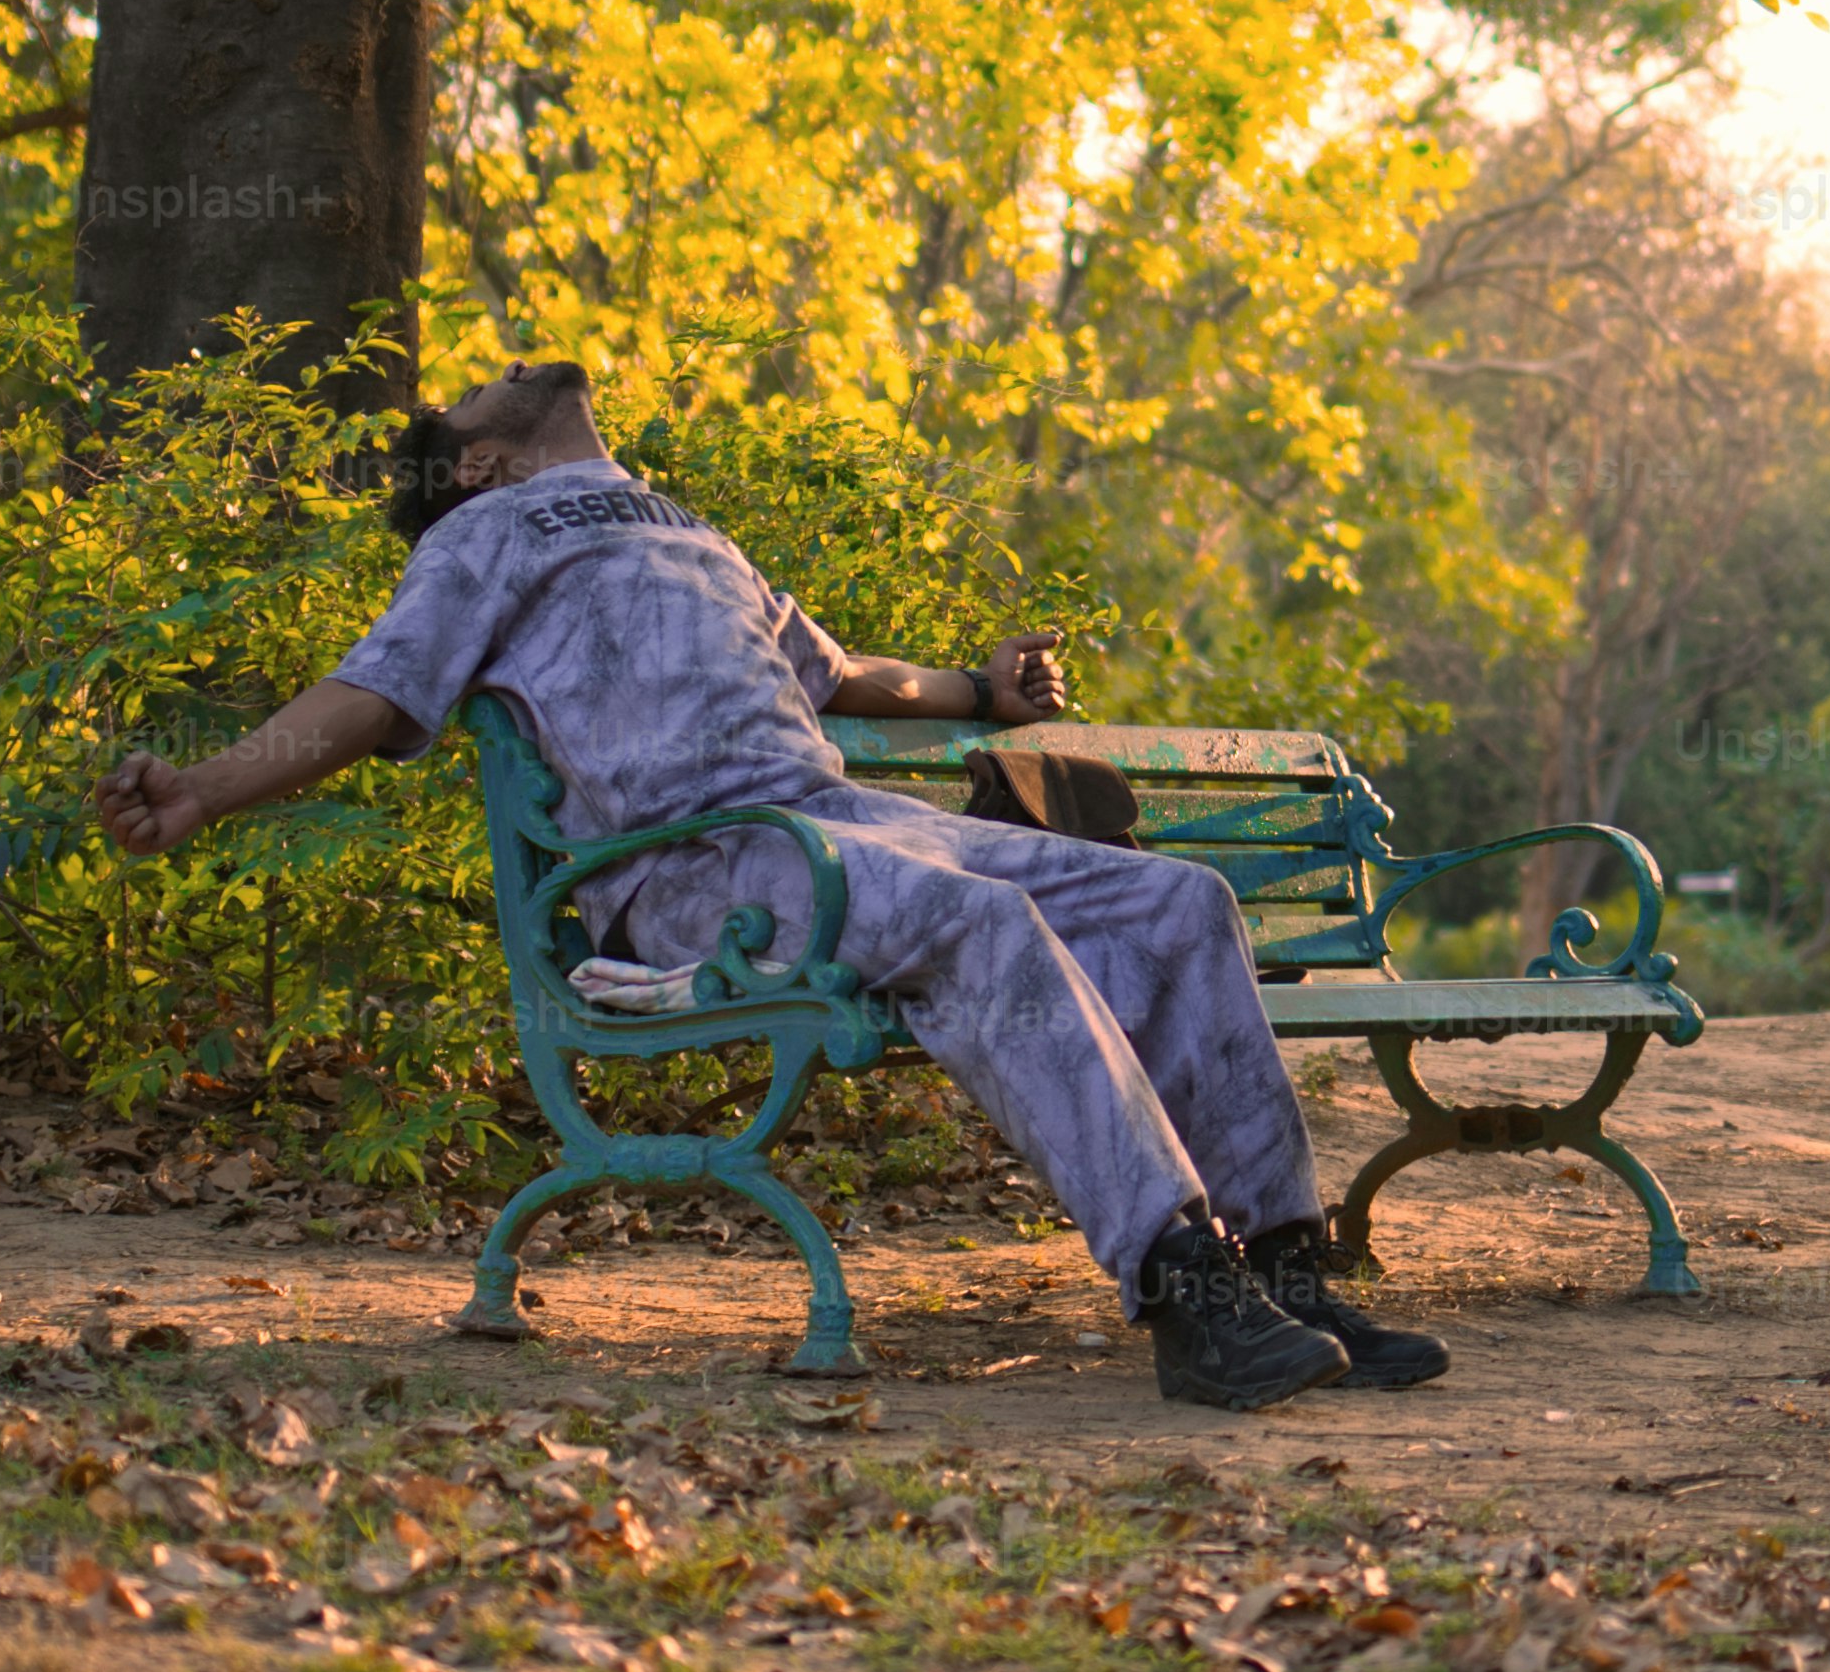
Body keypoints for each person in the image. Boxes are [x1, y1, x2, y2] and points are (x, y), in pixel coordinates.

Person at [88, 361, 1446, 1411]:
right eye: (462, 398)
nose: (491, 369)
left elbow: (840, 673)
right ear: (477, 462)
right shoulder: (482, 536)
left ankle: (1283, 1276)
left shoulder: (684, 529)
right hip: (693, 869)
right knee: (977, 923)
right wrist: (206, 785)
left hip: (831, 825)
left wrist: (978, 689)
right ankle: (1183, 1295)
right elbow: (372, 698)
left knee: (1176, 904)